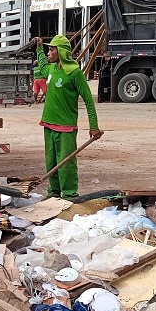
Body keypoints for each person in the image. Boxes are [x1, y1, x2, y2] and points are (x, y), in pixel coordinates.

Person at [35, 35, 103, 200]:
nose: (49, 53)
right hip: (48, 124)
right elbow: (43, 65)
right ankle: (53, 193)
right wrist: (38, 48)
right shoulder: (51, 69)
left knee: (65, 164)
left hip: (66, 127)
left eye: (52, 50)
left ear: (62, 52)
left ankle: (70, 195)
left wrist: (93, 126)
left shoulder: (74, 73)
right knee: (50, 162)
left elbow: (88, 100)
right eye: (48, 49)